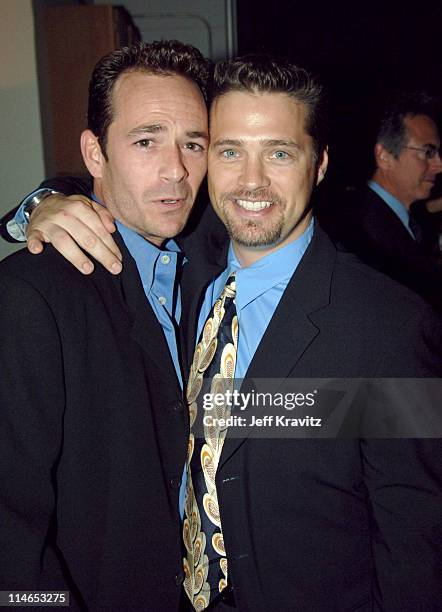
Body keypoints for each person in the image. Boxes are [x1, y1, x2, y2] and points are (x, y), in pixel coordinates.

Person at [2, 55, 442, 611]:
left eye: (279, 153)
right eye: (229, 151)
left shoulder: (394, 326)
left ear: (321, 163)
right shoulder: (189, 268)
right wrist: (39, 205)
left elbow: (418, 539)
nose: (251, 181)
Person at [0, 40, 210, 610]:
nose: (177, 170)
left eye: (194, 143)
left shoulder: (207, 262)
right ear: (95, 154)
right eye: (147, 141)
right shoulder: (31, 296)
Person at [320, 92, 442, 310]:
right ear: (384, 155)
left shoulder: (408, 220)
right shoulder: (361, 232)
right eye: (427, 152)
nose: (438, 165)